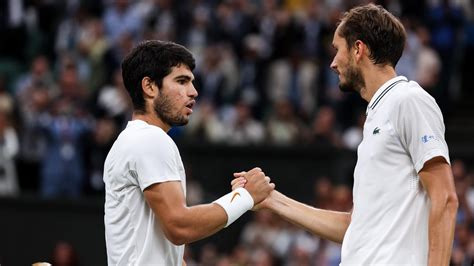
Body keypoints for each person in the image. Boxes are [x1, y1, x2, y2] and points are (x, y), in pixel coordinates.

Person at [233, 4, 458, 265]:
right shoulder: (379, 113)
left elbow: (445, 198)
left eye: (337, 50)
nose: (333, 62)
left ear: (358, 49)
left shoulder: (408, 99)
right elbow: (353, 226)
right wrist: (272, 200)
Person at [103, 40, 274, 265]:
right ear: (150, 87)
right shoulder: (150, 139)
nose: (193, 92)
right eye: (181, 81)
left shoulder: (130, 140)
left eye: (192, 82)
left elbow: (160, 244)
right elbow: (178, 225)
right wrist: (246, 197)